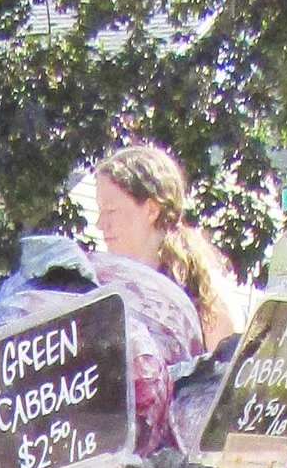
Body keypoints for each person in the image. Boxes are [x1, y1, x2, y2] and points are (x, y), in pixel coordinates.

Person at [89, 143, 252, 348]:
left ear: (151, 210)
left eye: (110, 210)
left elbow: (227, 373)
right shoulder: (103, 288)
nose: (100, 224)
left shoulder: (207, 295)